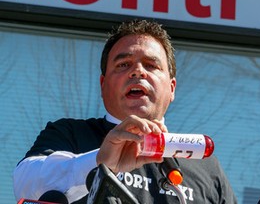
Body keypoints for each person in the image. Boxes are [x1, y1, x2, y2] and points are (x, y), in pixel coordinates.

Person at [13, 19, 237, 203]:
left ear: (171, 88)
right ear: (103, 85)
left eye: (151, 65)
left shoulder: (205, 165)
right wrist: (101, 162)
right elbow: (24, 184)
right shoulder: (69, 134)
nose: (137, 71)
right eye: (123, 64)